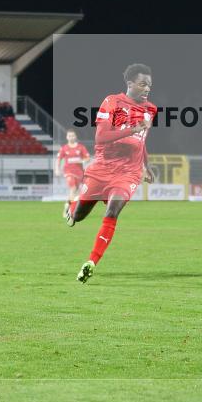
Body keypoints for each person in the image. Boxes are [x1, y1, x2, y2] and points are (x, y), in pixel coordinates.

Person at [68, 63, 157, 283]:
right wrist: (132, 129)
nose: (147, 88)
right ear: (130, 84)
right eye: (143, 84)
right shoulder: (112, 102)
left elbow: (142, 141)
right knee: (78, 216)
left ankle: (91, 262)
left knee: (112, 211)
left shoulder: (151, 109)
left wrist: (145, 165)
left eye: (150, 85)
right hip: (102, 168)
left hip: (128, 172)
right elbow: (101, 137)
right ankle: (71, 208)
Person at [55, 130, 90, 220]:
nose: (71, 137)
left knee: (77, 193)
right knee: (73, 188)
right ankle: (67, 210)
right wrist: (57, 169)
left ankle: (69, 207)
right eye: (69, 136)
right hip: (68, 172)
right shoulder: (64, 148)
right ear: (67, 137)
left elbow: (87, 158)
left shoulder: (81, 147)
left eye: (72, 136)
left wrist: (81, 161)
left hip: (79, 172)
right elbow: (58, 159)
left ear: (75, 137)